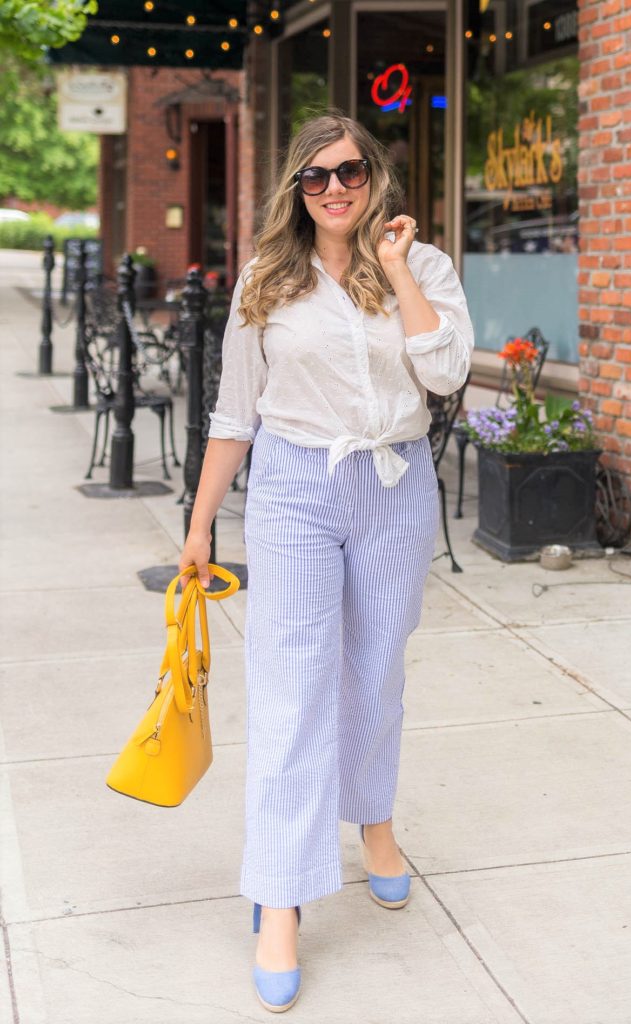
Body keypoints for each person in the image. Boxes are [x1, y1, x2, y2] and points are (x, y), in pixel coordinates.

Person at [179, 111, 474, 1013]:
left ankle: (374, 829)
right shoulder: (266, 281)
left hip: (391, 487)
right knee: (291, 688)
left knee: (374, 675)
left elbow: (448, 370)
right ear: (295, 190)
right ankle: (279, 896)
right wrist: (198, 530)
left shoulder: (420, 268)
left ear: (373, 175)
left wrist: (391, 268)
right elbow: (236, 413)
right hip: (296, 488)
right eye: (315, 177)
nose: (334, 188)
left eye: (348, 171)